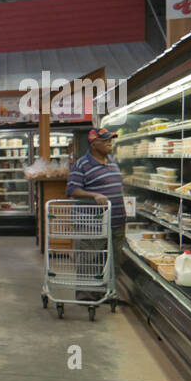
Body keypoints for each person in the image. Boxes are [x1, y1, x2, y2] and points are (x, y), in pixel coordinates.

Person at [66, 125, 125, 299]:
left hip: (116, 221)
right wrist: (94, 195)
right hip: (91, 223)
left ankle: (104, 293)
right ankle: (86, 297)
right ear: (93, 144)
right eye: (105, 141)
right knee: (89, 261)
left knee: (111, 261)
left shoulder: (112, 161)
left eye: (111, 140)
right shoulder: (81, 165)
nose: (110, 144)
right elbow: (72, 190)